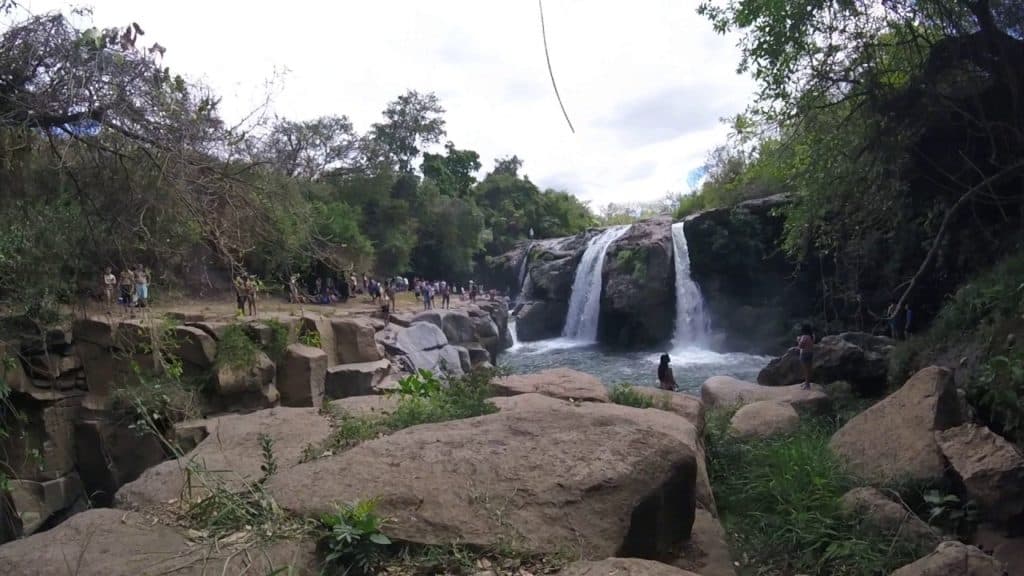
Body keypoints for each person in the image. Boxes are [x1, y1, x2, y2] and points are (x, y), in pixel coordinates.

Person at [796, 324, 815, 389]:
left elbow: (801, 346)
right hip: (810, 353)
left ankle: (807, 385)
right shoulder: (812, 336)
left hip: (804, 354)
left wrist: (798, 340)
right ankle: (807, 382)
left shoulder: (804, 337)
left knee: (805, 370)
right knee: (809, 369)